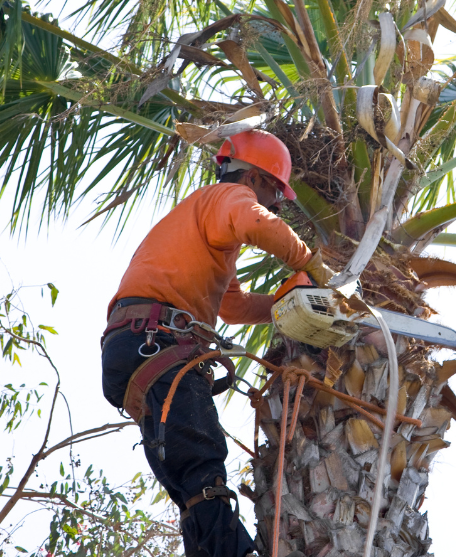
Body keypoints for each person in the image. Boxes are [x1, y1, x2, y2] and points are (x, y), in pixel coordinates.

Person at [100, 129, 334, 557]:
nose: (277, 203)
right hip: (157, 342)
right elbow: (256, 221)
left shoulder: (203, 227)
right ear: (254, 179)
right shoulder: (227, 199)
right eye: (275, 191)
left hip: (134, 349)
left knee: (192, 488)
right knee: (205, 471)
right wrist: (312, 265)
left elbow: (234, 307)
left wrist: (290, 303)